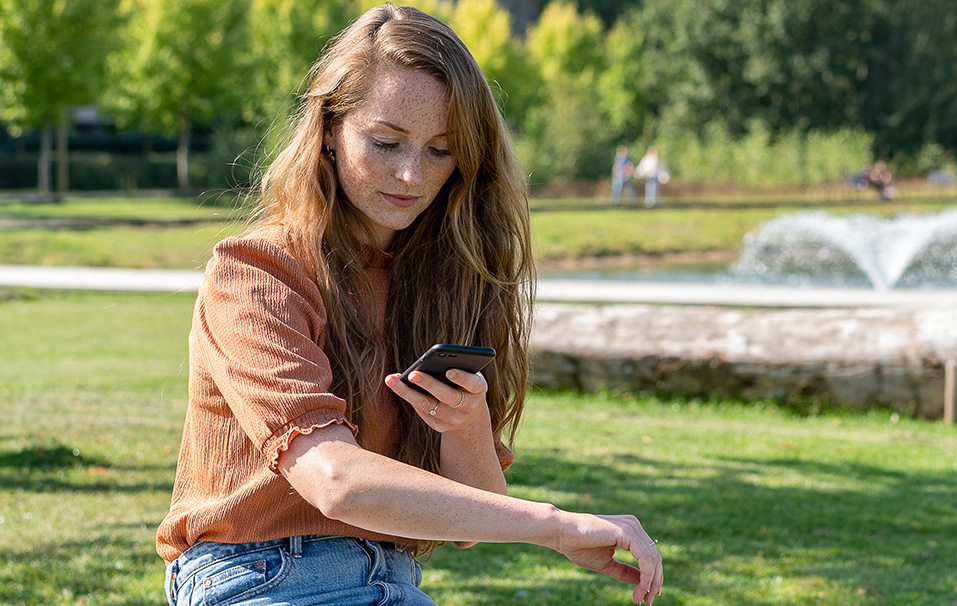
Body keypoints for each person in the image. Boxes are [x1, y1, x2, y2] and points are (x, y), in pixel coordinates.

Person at [156, 5, 664, 606]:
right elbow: (336, 481)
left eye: (440, 151)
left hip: (393, 581)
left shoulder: (445, 279)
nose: (410, 174)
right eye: (386, 141)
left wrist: (466, 423)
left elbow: (476, 515)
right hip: (258, 576)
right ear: (327, 132)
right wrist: (554, 525)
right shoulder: (257, 272)